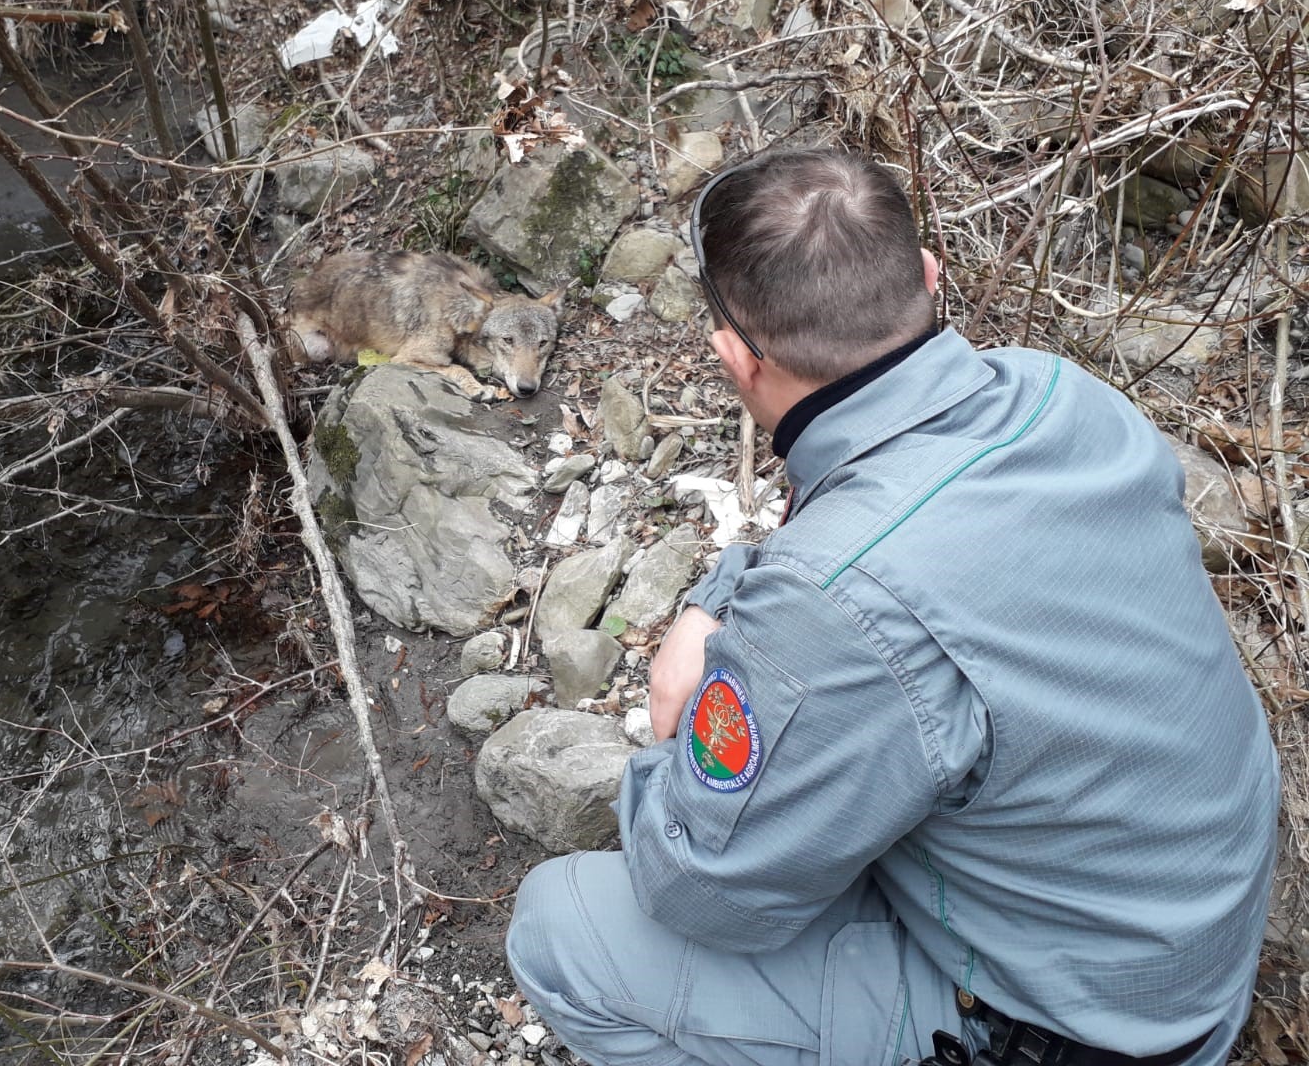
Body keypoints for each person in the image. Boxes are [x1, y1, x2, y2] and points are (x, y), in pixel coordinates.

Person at [505, 148, 1279, 1066]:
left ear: (735, 360)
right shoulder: (1054, 393)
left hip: (1085, 1031)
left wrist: (678, 756)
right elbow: (861, 534)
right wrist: (717, 601)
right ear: (927, 277)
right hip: (1185, 943)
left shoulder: (835, 606)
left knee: (563, 928)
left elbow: (700, 886)